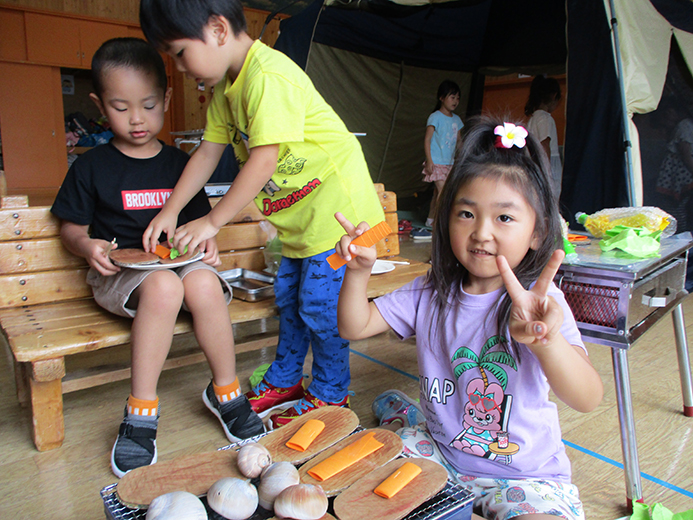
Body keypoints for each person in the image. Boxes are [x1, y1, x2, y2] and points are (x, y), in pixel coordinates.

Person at [335, 116, 603, 520]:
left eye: (504, 218)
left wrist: (547, 342)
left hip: (524, 478)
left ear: (537, 231)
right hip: (441, 457)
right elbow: (354, 327)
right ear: (446, 219)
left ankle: (403, 414)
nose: (481, 232)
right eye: (466, 214)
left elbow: (588, 398)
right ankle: (406, 417)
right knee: (360, 483)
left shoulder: (541, 304)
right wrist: (357, 273)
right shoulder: (431, 290)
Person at [139, 0, 385, 429]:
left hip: (344, 221)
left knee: (321, 306)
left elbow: (263, 161)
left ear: (217, 30)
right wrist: (172, 210)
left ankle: (331, 395)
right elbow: (208, 152)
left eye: (179, 52)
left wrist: (214, 221)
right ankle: (287, 379)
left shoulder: (267, 76)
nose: (179, 68)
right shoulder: (224, 90)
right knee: (289, 298)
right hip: (303, 224)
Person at [50, 37, 264, 478]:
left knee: (203, 281)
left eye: (148, 105)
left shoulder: (178, 165)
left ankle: (227, 393)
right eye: (121, 106)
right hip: (120, 274)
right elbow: (69, 227)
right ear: (98, 104)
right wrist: (88, 246)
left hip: (178, 264)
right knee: (165, 286)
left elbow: (201, 223)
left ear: (166, 97)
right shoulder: (90, 167)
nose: (137, 119)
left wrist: (207, 244)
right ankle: (141, 411)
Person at [411, 80, 464, 241]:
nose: (455, 101)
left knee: (437, 193)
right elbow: (427, 140)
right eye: (452, 97)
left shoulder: (457, 120)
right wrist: (429, 160)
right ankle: (441, 224)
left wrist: (463, 157)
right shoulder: (435, 117)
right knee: (443, 191)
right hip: (437, 162)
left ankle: (430, 219)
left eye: (457, 98)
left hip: (450, 163)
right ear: (441, 97)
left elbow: (459, 141)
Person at [655, 98, 693, 231]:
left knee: (679, 206)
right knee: (677, 206)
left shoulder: (684, 125)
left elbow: (685, 152)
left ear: (670, 112)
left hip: (683, 176)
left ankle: (680, 230)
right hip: (680, 175)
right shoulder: (684, 125)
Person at [525, 75, 563, 199]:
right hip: (547, 166)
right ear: (553, 96)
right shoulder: (545, 118)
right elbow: (545, 144)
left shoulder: (533, 118)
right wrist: (546, 173)